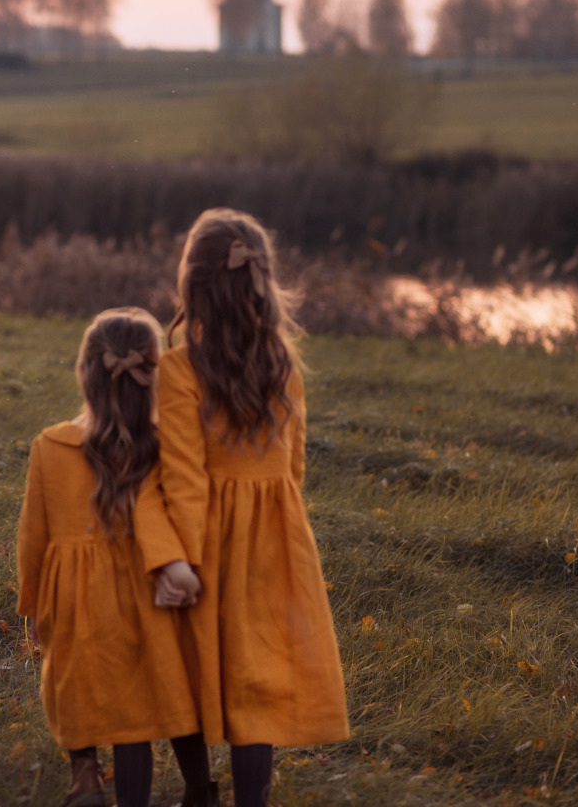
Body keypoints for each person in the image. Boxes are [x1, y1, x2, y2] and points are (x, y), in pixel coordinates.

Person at [152, 208, 350, 807]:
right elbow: (293, 467)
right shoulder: (284, 365)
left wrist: (177, 560)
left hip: (207, 533)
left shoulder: (179, 368)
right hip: (275, 535)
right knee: (255, 669)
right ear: (263, 283)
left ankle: (198, 788)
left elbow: (183, 477)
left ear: (193, 285)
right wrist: (286, 527)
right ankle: (252, 800)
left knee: (188, 663)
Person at [16, 307, 214, 807]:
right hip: (149, 594)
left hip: (74, 597)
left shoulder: (51, 446)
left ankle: (86, 776)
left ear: (86, 373)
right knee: (145, 711)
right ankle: (189, 790)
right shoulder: (163, 446)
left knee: (75, 688)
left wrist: (33, 605)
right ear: (154, 378)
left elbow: (32, 536)